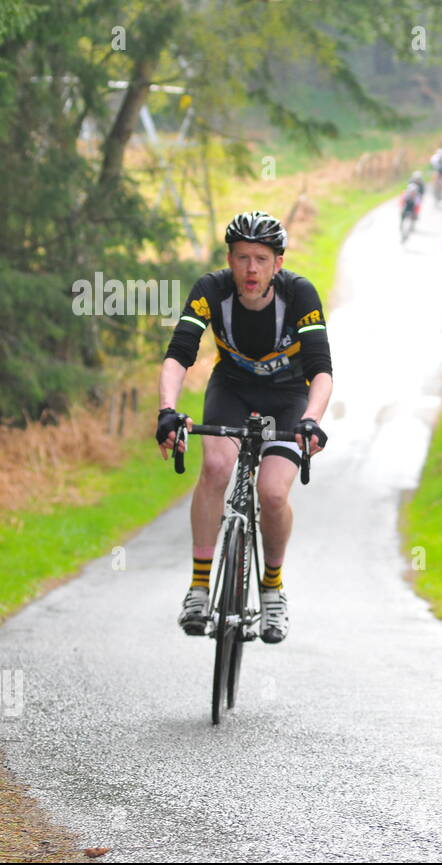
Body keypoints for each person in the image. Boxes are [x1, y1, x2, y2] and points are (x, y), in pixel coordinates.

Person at [156, 211, 332, 645]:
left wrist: (312, 420)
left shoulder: (300, 294)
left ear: (278, 262)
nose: (250, 269)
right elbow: (180, 352)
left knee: (272, 492)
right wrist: (167, 410)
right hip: (232, 389)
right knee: (216, 466)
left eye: (260, 258)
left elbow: (321, 369)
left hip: (287, 397)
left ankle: (272, 588)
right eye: (241, 258)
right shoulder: (211, 290)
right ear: (229, 260)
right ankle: (199, 587)